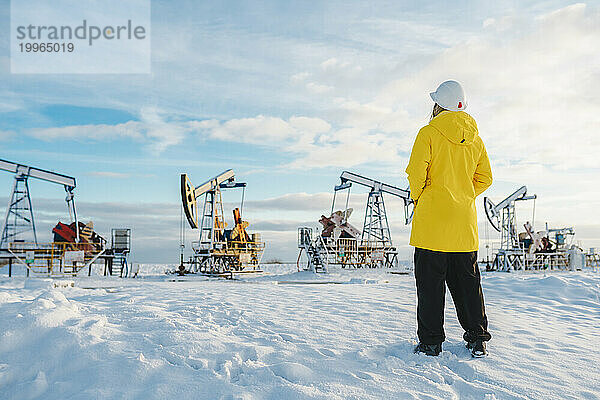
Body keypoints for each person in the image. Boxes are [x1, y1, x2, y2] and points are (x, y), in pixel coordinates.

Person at [406, 80, 493, 357]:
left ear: (437, 105)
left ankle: (431, 342)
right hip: (463, 226)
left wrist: (421, 197)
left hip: (432, 224)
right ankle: (477, 338)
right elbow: (485, 178)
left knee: (430, 287)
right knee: (468, 285)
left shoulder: (428, 133)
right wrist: (464, 195)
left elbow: (416, 174)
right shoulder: (476, 139)